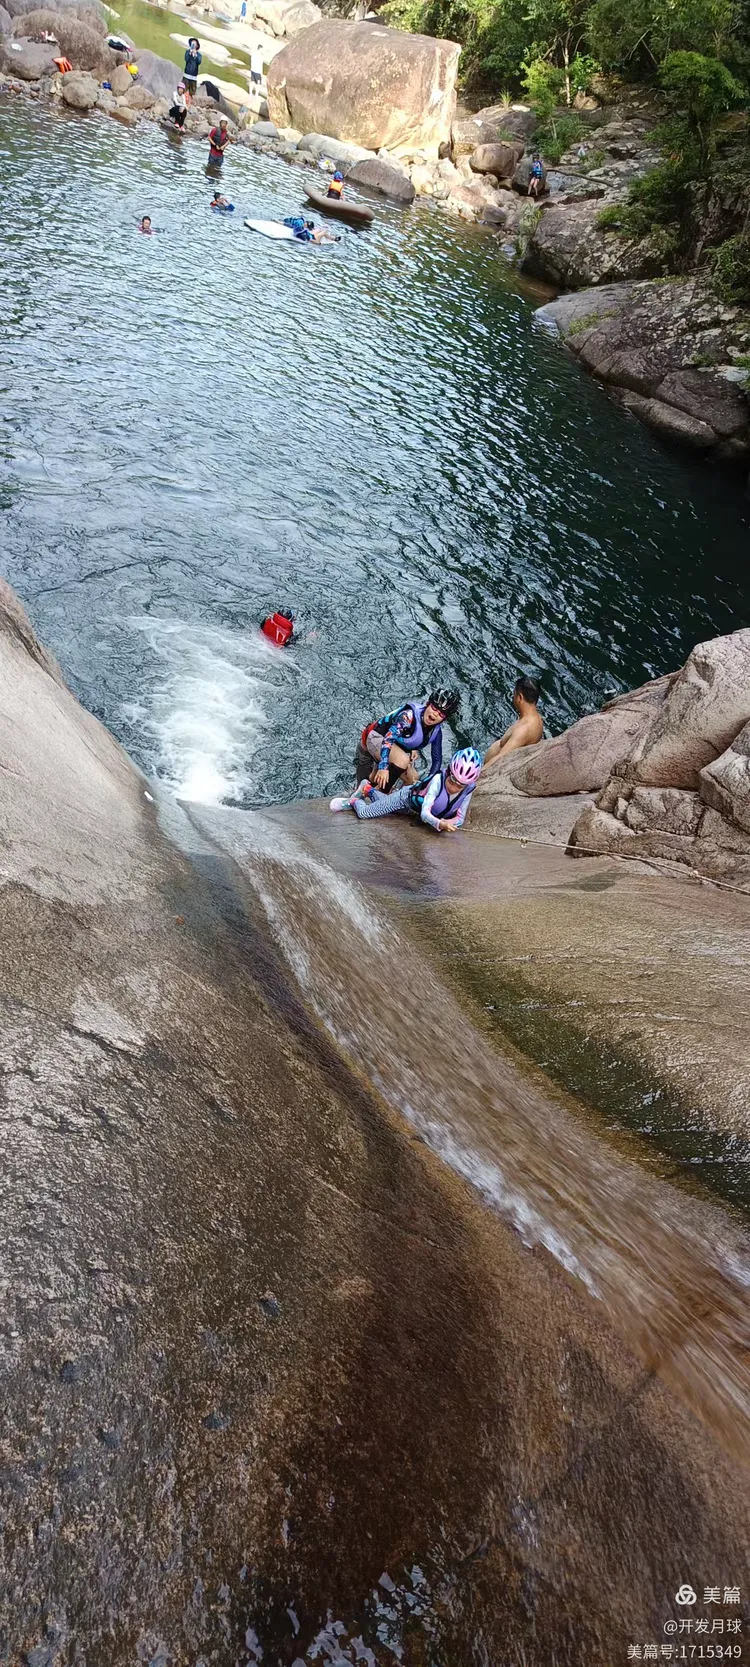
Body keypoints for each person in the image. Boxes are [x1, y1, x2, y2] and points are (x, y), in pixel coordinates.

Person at [330, 747, 482, 833]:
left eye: (460, 785)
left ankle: (367, 788)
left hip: (412, 810)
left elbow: (460, 817)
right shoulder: (438, 781)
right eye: (452, 780)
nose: (454, 787)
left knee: (384, 806)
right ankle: (354, 801)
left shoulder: (468, 789)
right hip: (405, 798)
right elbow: (425, 812)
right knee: (366, 813)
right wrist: (439, 824)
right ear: (448, 772)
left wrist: (449, 822)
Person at [355, 688, 460, 792]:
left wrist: (430, 783)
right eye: (434, 708)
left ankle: (393, 799)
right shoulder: (408, 716)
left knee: (413, 779)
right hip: (376, 738)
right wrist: (383, 767)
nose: (436, 714)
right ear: (428, 704)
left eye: (441, 714)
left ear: (444, 719)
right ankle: (381, 793)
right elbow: (389, 738)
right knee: (402, 761)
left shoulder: (436, 732)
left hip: (393, 748)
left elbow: (437, 760)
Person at [483, 676, 543, 767]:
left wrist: (477, 775)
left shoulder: (523, 730)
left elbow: (500, 759)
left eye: (514, 693)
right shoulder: (537, 718)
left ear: (520, 697)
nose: (513, 697)